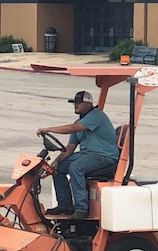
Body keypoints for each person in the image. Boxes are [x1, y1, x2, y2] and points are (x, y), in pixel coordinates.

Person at [36, 90, 119, 219]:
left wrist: (49, 129)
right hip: (87, 154)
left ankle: (81, 208)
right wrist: (56, 162)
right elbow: (69, 148)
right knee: (59, 168)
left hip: (104, 155)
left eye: (79, 103)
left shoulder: (96, 116)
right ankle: (65, 205)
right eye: (74, 103)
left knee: (76, 167)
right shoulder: (78, 122)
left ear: (88, 104)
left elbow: (72, 129)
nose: (76, 105)